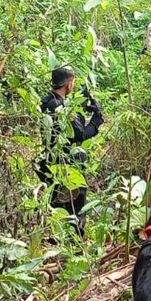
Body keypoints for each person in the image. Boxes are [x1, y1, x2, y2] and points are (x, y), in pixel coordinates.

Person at [37, 66, 104, 232]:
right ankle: (74, 240)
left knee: (56, 205)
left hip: (50, 162)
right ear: (68, 84)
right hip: (67, 164)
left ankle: (57, 238)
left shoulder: (46, 102)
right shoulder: (61, 108)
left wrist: (83, 111)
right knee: (75, 205)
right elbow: (79, 134)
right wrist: (96, 121)